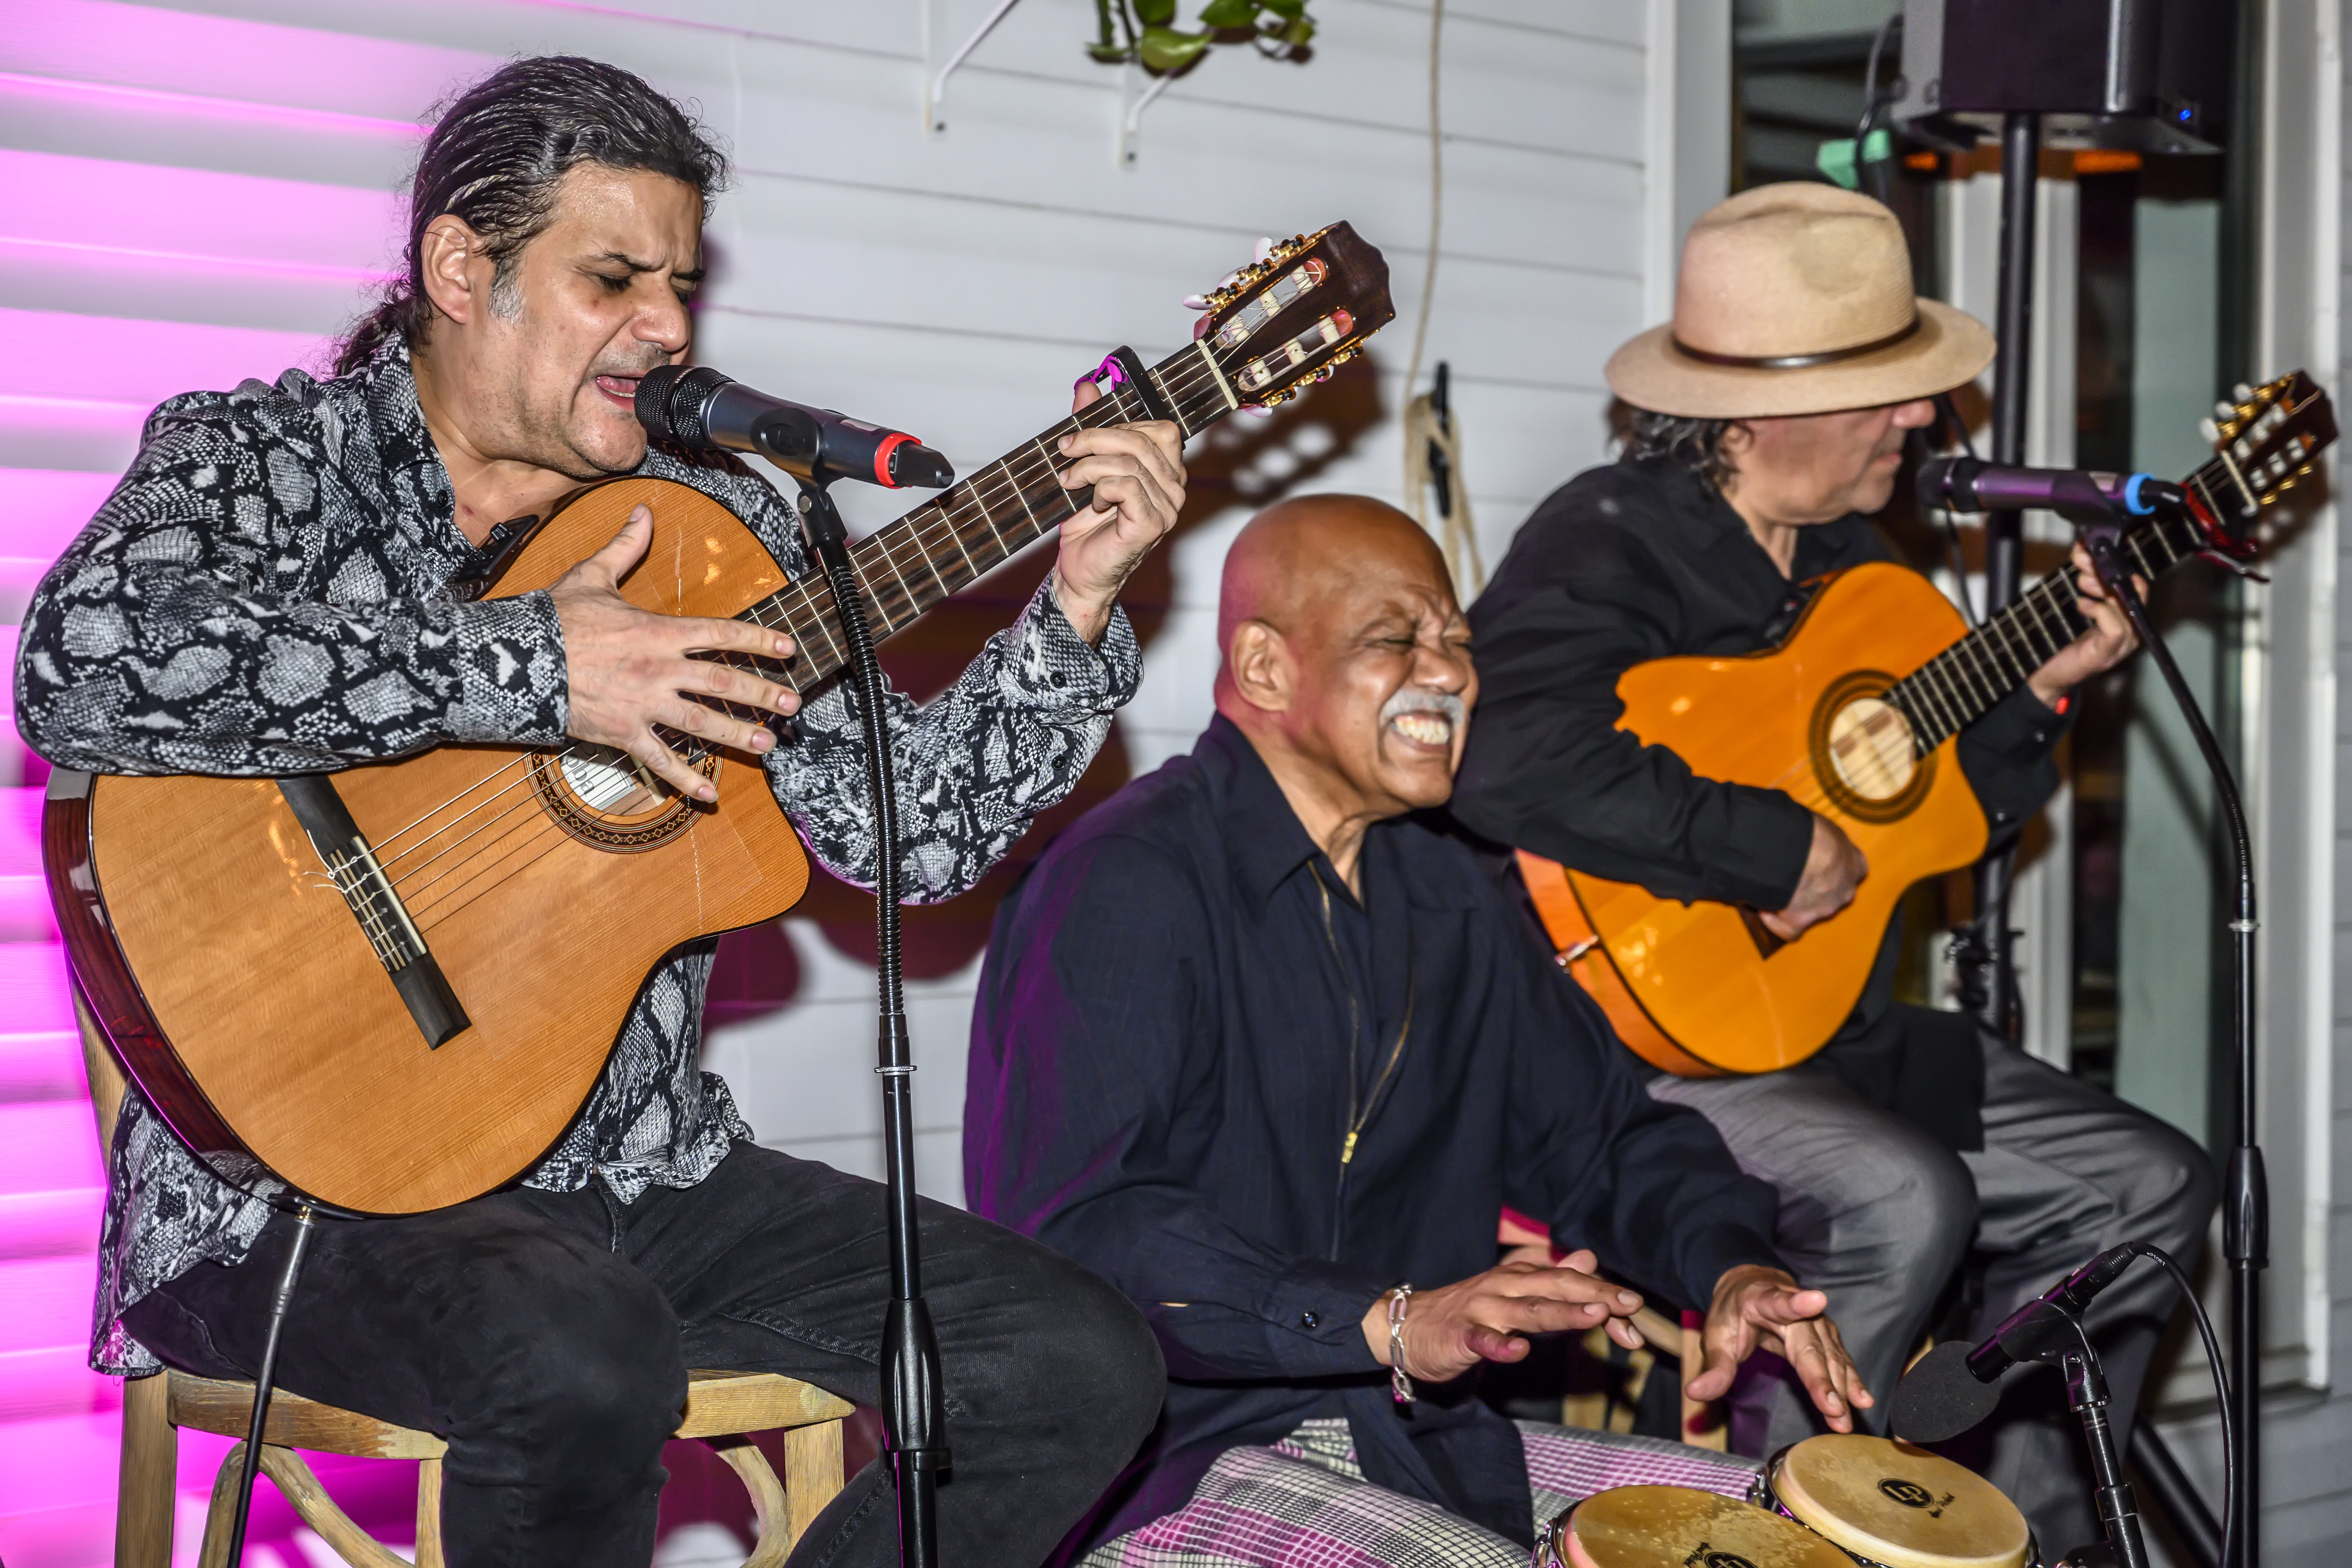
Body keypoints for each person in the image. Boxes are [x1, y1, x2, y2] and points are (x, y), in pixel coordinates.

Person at [19, 57, 1187, 1568]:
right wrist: (527, 669)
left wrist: (1076, 614)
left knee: (1075, 1366)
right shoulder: (271, 463)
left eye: (683, 283)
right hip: (292, 1186)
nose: (668, 328)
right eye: (613, 278)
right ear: (461, 267)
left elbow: (910, 841)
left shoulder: (726, 528)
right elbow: (83, 662)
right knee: (581, 1355)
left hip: (645, 1172)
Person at [1450, 182, 2215, 1551]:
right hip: (1636, 1047)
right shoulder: (1612, 536)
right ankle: (1771, 1533)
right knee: (1906, 1196)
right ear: (1754, 415)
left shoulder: (1865, 566)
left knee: (2149, 1189)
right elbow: (1505, 756)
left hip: (1820, 1023)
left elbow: (1950, 816)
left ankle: (2030, 1533)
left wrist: (2040, 694)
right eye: (1889, 394)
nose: (1923, 422)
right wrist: (1764, 845)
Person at [964, 494, 1871, 1568]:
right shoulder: (1128, 879)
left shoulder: (1447, 890)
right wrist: (1384, 1319)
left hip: (1425, 1444)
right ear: (1263, 669)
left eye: (1455, 642)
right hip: (1170, 1468)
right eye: (1394, 640)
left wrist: (1729, 1268)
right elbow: (1088, 1231)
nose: (1447, 674)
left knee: (1805, 1544)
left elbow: (1603, 1138)